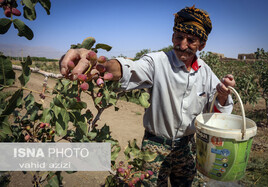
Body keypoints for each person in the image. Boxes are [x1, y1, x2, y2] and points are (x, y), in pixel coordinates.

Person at [60, 5, 235, 187]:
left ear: (202, 45)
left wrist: (223, 95)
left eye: (191, 40)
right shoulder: (157, 62)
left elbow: (217, 111)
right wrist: (99, 66)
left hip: (187, 147)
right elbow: (127, 68)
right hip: (155, 146)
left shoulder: (206, 73)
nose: (182, 44)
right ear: (172, 36)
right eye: (178, 37)